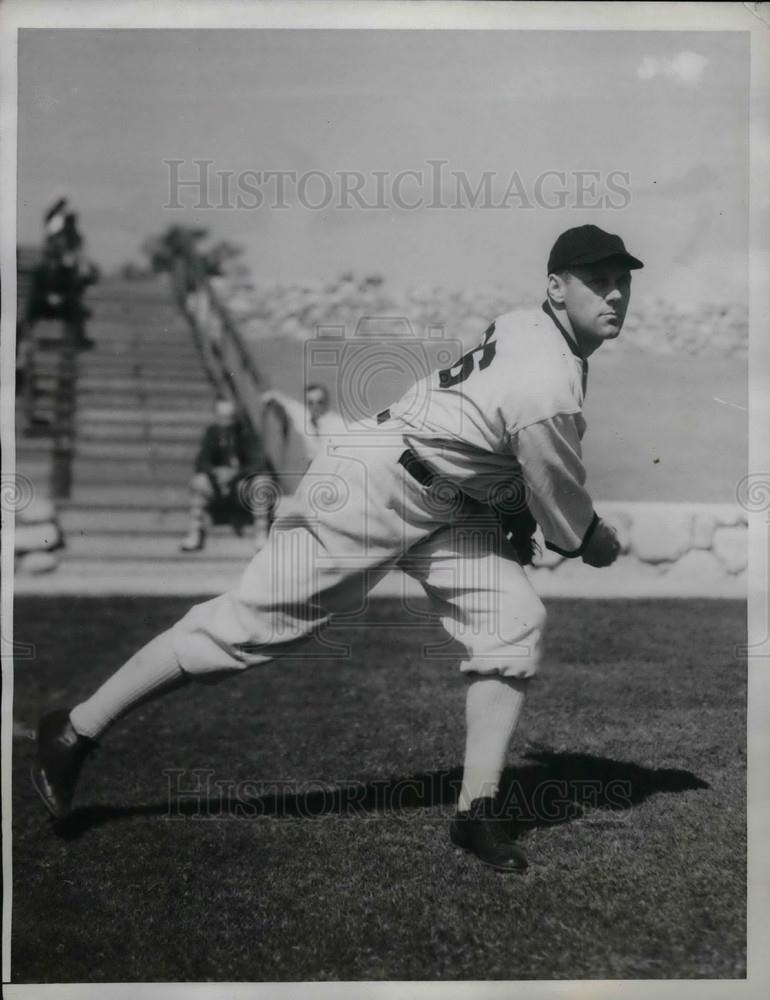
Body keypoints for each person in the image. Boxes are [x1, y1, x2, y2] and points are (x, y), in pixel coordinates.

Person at [32, 225, 640, 873]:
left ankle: (477, 812)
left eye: (621, 281)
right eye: (595, 280)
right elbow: (571, 528)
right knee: (246, 630)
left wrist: (509, 501)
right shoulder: (549, 380)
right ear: (555, 286)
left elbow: (488, 431)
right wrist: (598, 541)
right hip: (371, 486)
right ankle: (74, 729)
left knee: (512, 622)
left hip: (448, 498)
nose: (613, 295)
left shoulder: (525, 325)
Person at [180, 397, 276, 552]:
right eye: (222, 418)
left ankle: (261, 534)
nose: (227, 423)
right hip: (217, 486)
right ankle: (194, 533)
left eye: (230, 417)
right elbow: (201, 461)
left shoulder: (246, 433)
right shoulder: (212, 433)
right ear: (216, 416)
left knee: (262, 481)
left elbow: (259, 463)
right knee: (199, 481)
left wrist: (235, 473)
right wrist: (216, 472)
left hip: (241, 487)